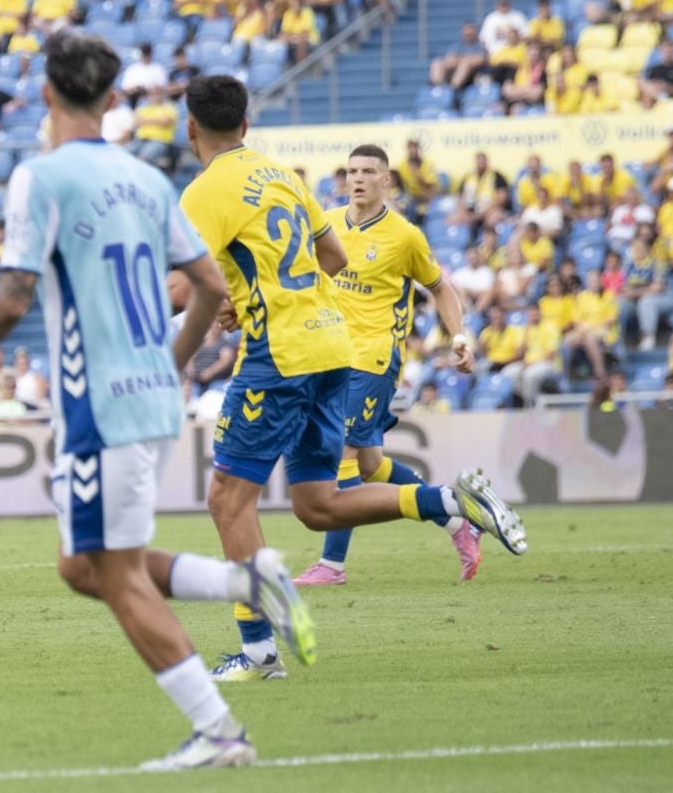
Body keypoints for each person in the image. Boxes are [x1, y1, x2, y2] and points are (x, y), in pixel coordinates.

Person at [0, 31, 303, 772]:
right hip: (151, 394)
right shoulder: (148, 179)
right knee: (81, 566)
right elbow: (213, 287)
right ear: (109, 98)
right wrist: (171, 363)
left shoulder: (42, 177)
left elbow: (8, 301)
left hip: (99, 404)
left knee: (114, 574)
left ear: (44, 96)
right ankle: (245, 580)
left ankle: (220, 731)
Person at [175, 74, 527, 683]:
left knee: (228, 499)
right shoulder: (279, 174)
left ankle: (258, 651)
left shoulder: (205, 191)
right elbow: (333, 258)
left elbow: (184, 287)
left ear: (190, 130)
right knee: (317, 504)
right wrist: (253, 288)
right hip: (334, 346)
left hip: (279, 354)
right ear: (247, 126)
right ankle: (450, 500)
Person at [292, 145, 482, 587]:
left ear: (386, 181)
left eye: (368, 172)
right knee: (371, 466)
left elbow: (443, 289)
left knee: (341, 453)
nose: (357, 178)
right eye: (352, 171)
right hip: (327, 355)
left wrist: (458, 337)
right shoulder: (328, 223)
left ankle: (332, 566)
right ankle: (453, 517)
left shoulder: (404, 236)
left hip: (373, 357)